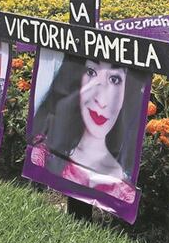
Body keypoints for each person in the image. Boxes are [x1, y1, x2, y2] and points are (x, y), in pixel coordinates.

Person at [28, 53, 147, 202]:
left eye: (114, 79)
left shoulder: (123, 188)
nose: (101, 101)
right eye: (91, 72)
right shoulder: (43, 154)